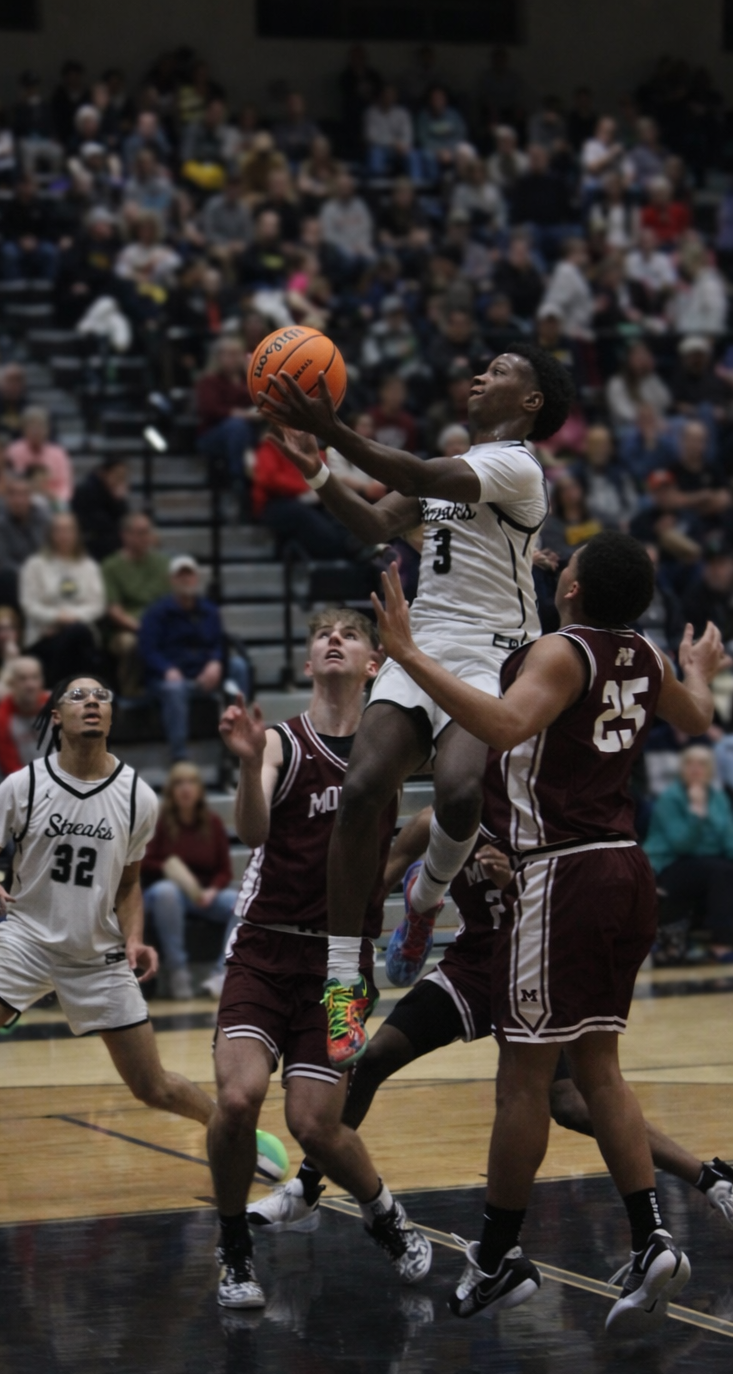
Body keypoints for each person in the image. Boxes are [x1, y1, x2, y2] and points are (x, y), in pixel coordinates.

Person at [370, 531, 723, 1334]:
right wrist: (698, 669)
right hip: (622, 871)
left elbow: (500, 725)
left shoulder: (563, 654)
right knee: (597, 1071)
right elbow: (697, 715)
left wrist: (410, 655)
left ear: (570, 590)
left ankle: (495, 1258)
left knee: (524, 1083)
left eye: (565, 566)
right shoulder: (641, 651)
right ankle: (650, 1236)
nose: (556, 567)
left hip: (560, 873)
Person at [259, 343, 574, 1067]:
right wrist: (316, 467)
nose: (479, 376)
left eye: (499, 371)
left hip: (497, 653)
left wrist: (333, 429)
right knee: (362, 786)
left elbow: (422, 474)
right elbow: (374, 524)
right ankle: (345, 982)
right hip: (422, 641)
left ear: (529, 402)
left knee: (462, 793)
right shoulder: (454, 469)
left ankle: (426, 898)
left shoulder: (514, 464)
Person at [252, 808, 733, 1235]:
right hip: (475, 966)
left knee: (571, 1104)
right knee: (375, 1056)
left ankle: (710, 1178)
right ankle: (306, 1188)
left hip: (535, 964)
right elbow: (372, 888)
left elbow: (572, 906)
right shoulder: (432, 821)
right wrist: (357, 944)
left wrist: (514, 884)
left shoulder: (543, 819)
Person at [0, 673, 259, 1217]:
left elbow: (129, 884)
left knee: (152, 1086)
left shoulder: (138, 796)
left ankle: (226, 1127)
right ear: (55, 716)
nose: (93, 702)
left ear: (111, 717)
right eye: (79, 696)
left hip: (95, 954)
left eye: (103, 696)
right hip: (24, 940)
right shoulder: (23, 785)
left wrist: (133, 938)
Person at [208, 610, 432, 1309]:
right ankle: (234, 1249)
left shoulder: (389, 748)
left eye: (351, 633)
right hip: (266, 952)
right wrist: (248, 768)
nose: (333, 639)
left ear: (374, 664)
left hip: (342, 969)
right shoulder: (281, 740)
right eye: (321, 634)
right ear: (308, 662)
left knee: (314, 1123)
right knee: (239, 1097)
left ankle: (383, 1210)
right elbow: (252, 830)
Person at [142, 762, 238, 1001]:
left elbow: (224, 870)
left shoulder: (213, 822)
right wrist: (167, 867)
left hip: (204, 894)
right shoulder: (161, 821)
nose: (185, 789)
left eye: (191, 782)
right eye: (179, 783)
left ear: (199, 789)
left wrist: (213, 891)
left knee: (241, 902)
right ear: (171, 790)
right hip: (167, 893)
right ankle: (177, 970)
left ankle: (222, 973)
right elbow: (142, 860)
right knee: (167, 893)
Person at [139, 555, 249, 762]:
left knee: (238, 667)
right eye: (180, 577)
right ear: (171, 580)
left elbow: (219, 643)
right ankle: (179, 754)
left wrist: (216, 662)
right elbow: (148, 650)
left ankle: (237, 739)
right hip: (170, 677)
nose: (186, 581)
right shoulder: (156, 613)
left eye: (189, 576)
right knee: (175, 689)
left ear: (196, 579)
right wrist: (167, 669)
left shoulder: (210, 610)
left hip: (203, 672)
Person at [645, 744, 733, 963]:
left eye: (702, 764)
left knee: (723, 869)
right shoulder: (670, 798)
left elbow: (728, 839)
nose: (696, 769)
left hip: (706, 865)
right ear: (681, 768)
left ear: (711, 769)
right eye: (690, 764)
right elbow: (682, 844)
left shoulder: (719, 798)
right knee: (720, 871)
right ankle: (720, 944)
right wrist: (696, 810)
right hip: (669, 866)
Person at [18, 509, 105, 679]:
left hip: (81, 631)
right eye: (58, 530)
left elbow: (97, 605)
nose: (64, 535)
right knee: (78, 639)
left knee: (78, 633)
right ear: (50, 534)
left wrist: (69, 619)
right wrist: (56, 618)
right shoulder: (35, 565)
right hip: (44, 633)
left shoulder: (89, 566)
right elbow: (29, 604)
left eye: (69, 529)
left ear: (77, 534)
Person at [101, 511, 170, 697]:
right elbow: (114, 610)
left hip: (161, 624)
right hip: (128, 628)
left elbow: (173, 600)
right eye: (140, 532)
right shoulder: (111, 566)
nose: (145, 537)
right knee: (131, 644)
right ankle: (131, 695)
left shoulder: (163, 563)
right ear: (125, 535)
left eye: (148, 532)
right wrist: (142, 628)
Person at [195, 337, 255, 492]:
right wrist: (233, 412)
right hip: (213, 433)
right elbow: (209, 408)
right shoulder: (209, 381)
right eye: (229, 354)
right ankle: (237, 476)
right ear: (218, 357)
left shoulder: (247, 380)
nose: (234, 359)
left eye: (237, 354)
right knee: (237, 426)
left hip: (249, 429)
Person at [0, 476, 51, 608]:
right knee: (5, 577)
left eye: (23, 494)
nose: (18, 500)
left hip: (45, 573)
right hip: (16, 577)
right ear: (6, 498)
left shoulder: (44, 519)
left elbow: (52, 551)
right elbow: (0, 561)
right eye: (13, 495)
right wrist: (30, 575)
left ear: (30, 497)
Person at [0, 656, 48, 777]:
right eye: (22, 679)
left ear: (42, 681)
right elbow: (9, 765)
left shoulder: (57, 707)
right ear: (11, 683)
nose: (30, 685)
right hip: (21, 781)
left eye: (35, 678)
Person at [5, 406, 73, 504]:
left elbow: (65, 485)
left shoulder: (59, 453)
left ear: (47, 429)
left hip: (53, 501)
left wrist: (56, 498)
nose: (36, 431)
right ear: (23, 429)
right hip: (22, 501)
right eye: (32, 426)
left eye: (40, 426)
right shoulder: (13, 451)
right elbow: (10, 480)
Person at [71, 456, 130, 562]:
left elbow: (124, 520)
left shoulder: (117, 495)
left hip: (111, 541)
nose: (119, 480)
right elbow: (98, 523)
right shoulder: (86, 491)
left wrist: (119, 501)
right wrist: (115, 501)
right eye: (117, 475)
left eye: (123, 477)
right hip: (91, 543)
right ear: (104, 473)